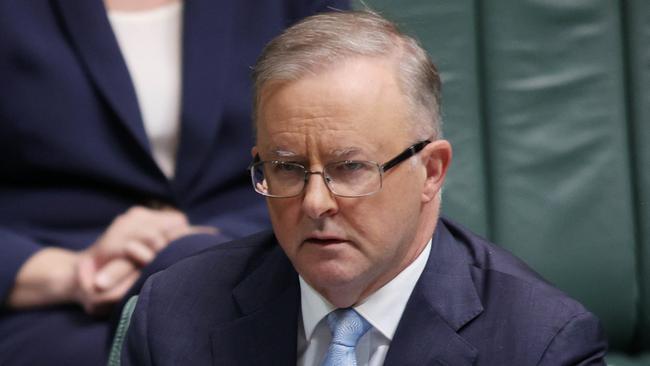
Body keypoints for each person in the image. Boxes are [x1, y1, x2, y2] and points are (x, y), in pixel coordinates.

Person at [121, 10, 608, 365]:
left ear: (432, 170)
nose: (315, 203)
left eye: (350, 167)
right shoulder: (173, 316)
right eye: (288, 168)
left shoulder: (542, 344)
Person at [0, 0, 349, 364]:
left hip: (263, 258)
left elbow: (348, 139)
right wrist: (72, 273)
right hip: (55, 301)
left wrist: (196, 248)